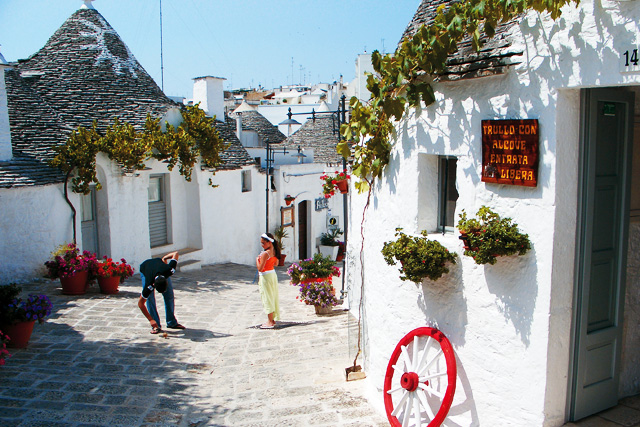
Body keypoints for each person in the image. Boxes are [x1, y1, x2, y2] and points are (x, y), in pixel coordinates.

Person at [137, 251, 186, 334]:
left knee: (169, 295)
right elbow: (140, 304)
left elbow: (176, 253)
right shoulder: (149, 284)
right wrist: (150, 319)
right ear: (154, 285)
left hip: (159, 266)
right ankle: (156, 325)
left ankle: (171, 322)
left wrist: (165, 258)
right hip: (146, 267)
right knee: (150, 298)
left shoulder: (169, 270)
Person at [256, 233, 280, 329]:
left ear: (269, 242)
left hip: (265, 276)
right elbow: (276, 264)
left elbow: (260, 268)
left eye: (263, 243)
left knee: (267, 297)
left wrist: (257, 260)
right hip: (272, 275)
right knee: (273, 296)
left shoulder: (265, 253)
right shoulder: (275, 251)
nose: (262, 245)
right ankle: (272, 319)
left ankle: (270, 321)